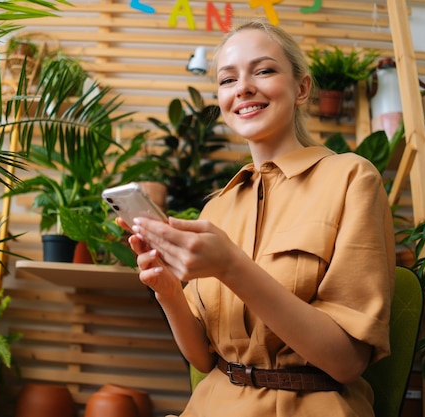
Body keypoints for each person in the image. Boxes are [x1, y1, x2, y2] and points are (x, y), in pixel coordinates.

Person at [121, 20, 395, 417]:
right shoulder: (217, 208)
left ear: (302, 88)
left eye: (263, 70)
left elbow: (346, 361)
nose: (243, 87)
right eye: (228, 79)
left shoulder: (352, 178)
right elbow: (201, 357)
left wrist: (232, 266)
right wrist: (167, 290)